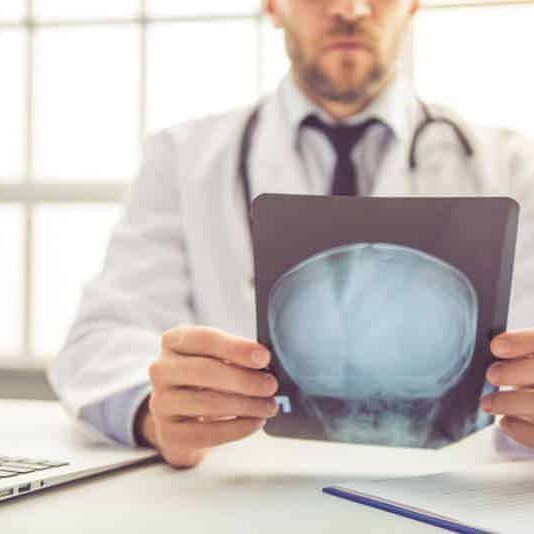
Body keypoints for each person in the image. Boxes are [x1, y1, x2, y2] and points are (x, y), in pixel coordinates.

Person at [49, 0, 534, 468]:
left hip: (460, 495)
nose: (350, 9)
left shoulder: (514, 168)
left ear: (413, 4)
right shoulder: (182, 160)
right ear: (271, 4)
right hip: (238, 496)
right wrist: (153, 408)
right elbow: (100, 342)